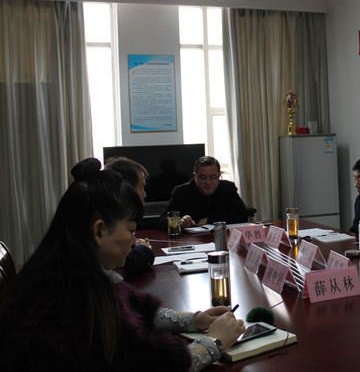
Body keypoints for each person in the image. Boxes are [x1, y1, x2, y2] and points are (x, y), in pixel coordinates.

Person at [0, 158, 245, 371]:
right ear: (99, 231)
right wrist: (214, 342)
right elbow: (156, 366)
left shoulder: (67, 267)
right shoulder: (73, 301)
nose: (133, 241)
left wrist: (194, 320)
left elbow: (134, 308)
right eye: (130, 230)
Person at [159, 156, 248, 229]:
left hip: (223, 237)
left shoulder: (228, 188)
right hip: (191, 241)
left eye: (212, 177)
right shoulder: (181, 192)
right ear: (195, 176)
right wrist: (179, 222)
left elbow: (242, 214)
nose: (208, 182)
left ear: (219, 176)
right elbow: (162, 219)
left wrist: (209, 220)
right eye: (203, 178)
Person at [105, 156, 155, 277]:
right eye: (141, 188)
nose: (144, 194)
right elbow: (127, 264)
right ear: (127, 189)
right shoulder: (111, 218)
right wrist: (143, 249)